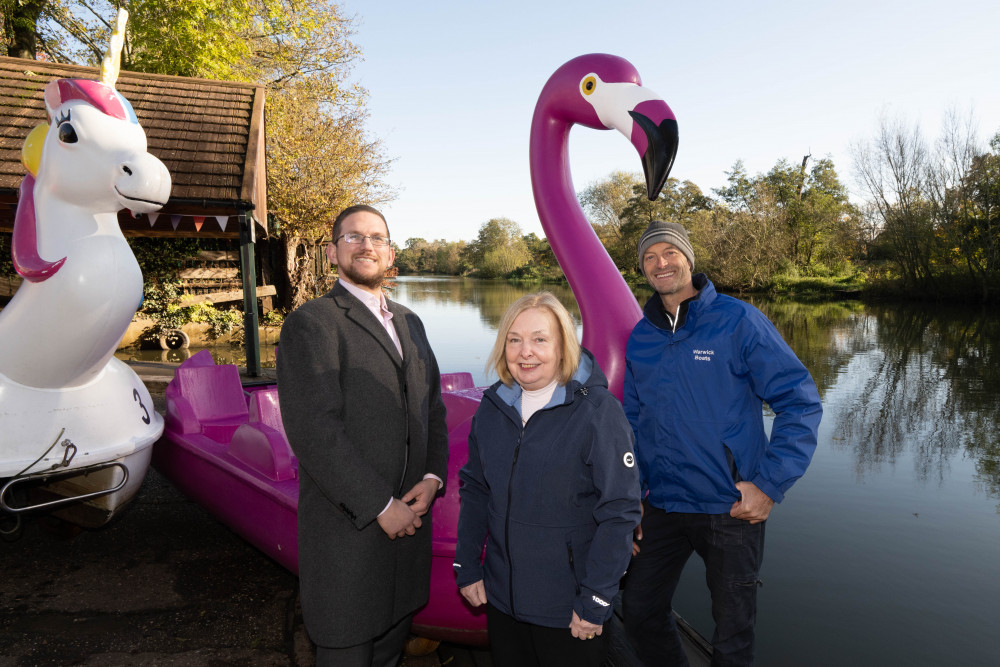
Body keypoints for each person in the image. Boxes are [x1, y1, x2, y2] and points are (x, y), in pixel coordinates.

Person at [622, 220, 823, 666]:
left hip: (730, 505)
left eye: (670, 253)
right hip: (663, 505)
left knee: (733, 633)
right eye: (650, 257)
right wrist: (630, 494)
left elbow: (800, 401)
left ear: (688, 258)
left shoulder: (737, 320)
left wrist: (769, 484)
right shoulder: (642, 336)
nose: (661, 263)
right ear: (642, 269)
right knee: (638, 610)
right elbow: (630, 423)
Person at [277, 204, 449, 667]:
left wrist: (433, 477)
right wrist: (379, 505)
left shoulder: (412, 323)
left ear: (390, 254)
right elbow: (315, 432)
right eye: (353, 237)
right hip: (348, 541)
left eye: (376, 237)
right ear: (333, 253)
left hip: (407, 538)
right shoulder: (312, 324)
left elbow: (432, 410)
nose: (366, 245)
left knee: (391, 654)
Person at [454, 292, 641, 667]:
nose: (526, 352)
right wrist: (467, 565)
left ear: (562, 347)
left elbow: (619, 512)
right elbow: (475, 490)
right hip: (502, 600)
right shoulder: (493, 408)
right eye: (514, 339)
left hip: (569, 608)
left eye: (540, 339)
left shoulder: (596, 412)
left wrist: (597, 599)